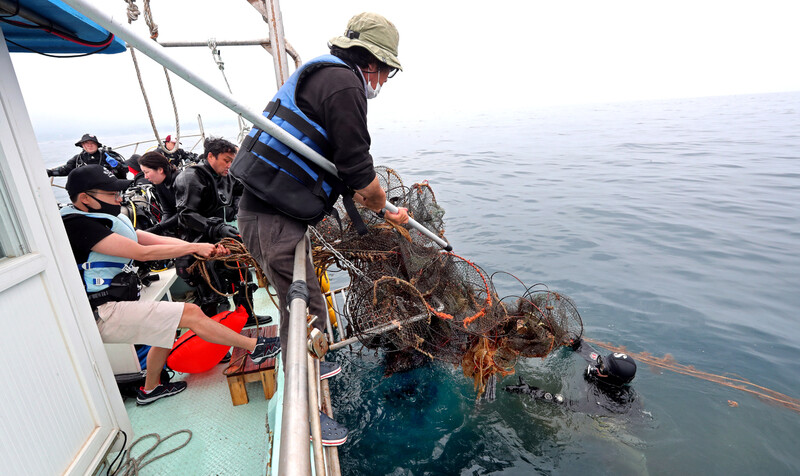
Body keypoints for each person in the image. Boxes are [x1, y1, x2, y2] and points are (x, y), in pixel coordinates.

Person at [232, 12, 410, 368]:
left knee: (296, 305)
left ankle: (309, 381)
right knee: (308, 313)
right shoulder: (345, 85)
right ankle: (310, 408)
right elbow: (359, 172)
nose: (386, 81)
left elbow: (345, 172)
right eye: (388, 71)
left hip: (266, 213)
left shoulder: (326, 75)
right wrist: (384, 207)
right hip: (273, 218)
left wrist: (384, 208)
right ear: (372, 62)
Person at [60, 165, 280, 405]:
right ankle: (255, 347)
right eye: (112, 194)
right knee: (191, 312)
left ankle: (150, 389)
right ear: (84, 198)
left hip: (118, 302)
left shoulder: (105, 218)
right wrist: (193, 248)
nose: (118, 199)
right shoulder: (76, 225)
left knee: (163, 330)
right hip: (102, 312)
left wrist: (201, 245)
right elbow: (140, 252)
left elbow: (144, 238)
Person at [173, 137, 268, 326]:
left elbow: (241, 189)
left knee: (242, 277)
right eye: (226, 160)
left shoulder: (227, 176)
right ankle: (216, 341)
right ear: (210, 156)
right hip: (200, 244)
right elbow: (186, 214)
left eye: (233, 161)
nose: (230, 165)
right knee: (213, 294)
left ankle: (246, 317)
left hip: (223, 239)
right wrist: (216, 227)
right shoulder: (191, 177)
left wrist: (236, 204)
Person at [505, 338, 639, 415]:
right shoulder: (602, 366)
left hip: (617, 422)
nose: (597, 365)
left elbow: (568, 404)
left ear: (611, 378)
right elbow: (584, 348)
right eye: (601, 361)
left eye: (603, 367)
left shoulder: (606, 401)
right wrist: (573, 342)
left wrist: (532, 391)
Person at [48, 133, 128, 179]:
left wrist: (117, 165)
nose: (89, 145)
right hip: (90, 190)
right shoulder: (78, 159)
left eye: (92, 143)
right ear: (82, 145)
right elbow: (65, 170)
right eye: (86, 143)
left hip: (111, 187)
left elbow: (126, 169)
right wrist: (50, 172)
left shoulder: (108, 155)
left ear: (97, 145)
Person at [138, 151, 181, 237]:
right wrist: (159, 229)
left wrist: (158, 228)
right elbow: (168, 211)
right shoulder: (159, 183)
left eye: (147, 172)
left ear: (160, 170)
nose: (145, 177)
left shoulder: (181, 181)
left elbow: (184, 213)